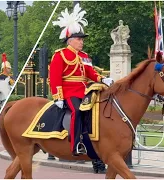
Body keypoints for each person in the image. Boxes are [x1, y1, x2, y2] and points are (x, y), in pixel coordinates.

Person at [50, 4, 114, 156]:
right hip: (69, 92)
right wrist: (58, 97)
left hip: (84, 90)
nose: (81, 42)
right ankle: (75, 144)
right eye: (79, 39)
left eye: (82, 39)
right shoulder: (60, 55)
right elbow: (55, 77)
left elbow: (90, 72)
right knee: (77, 111)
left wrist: (103, 79)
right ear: (70, 40)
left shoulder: (84, 56)